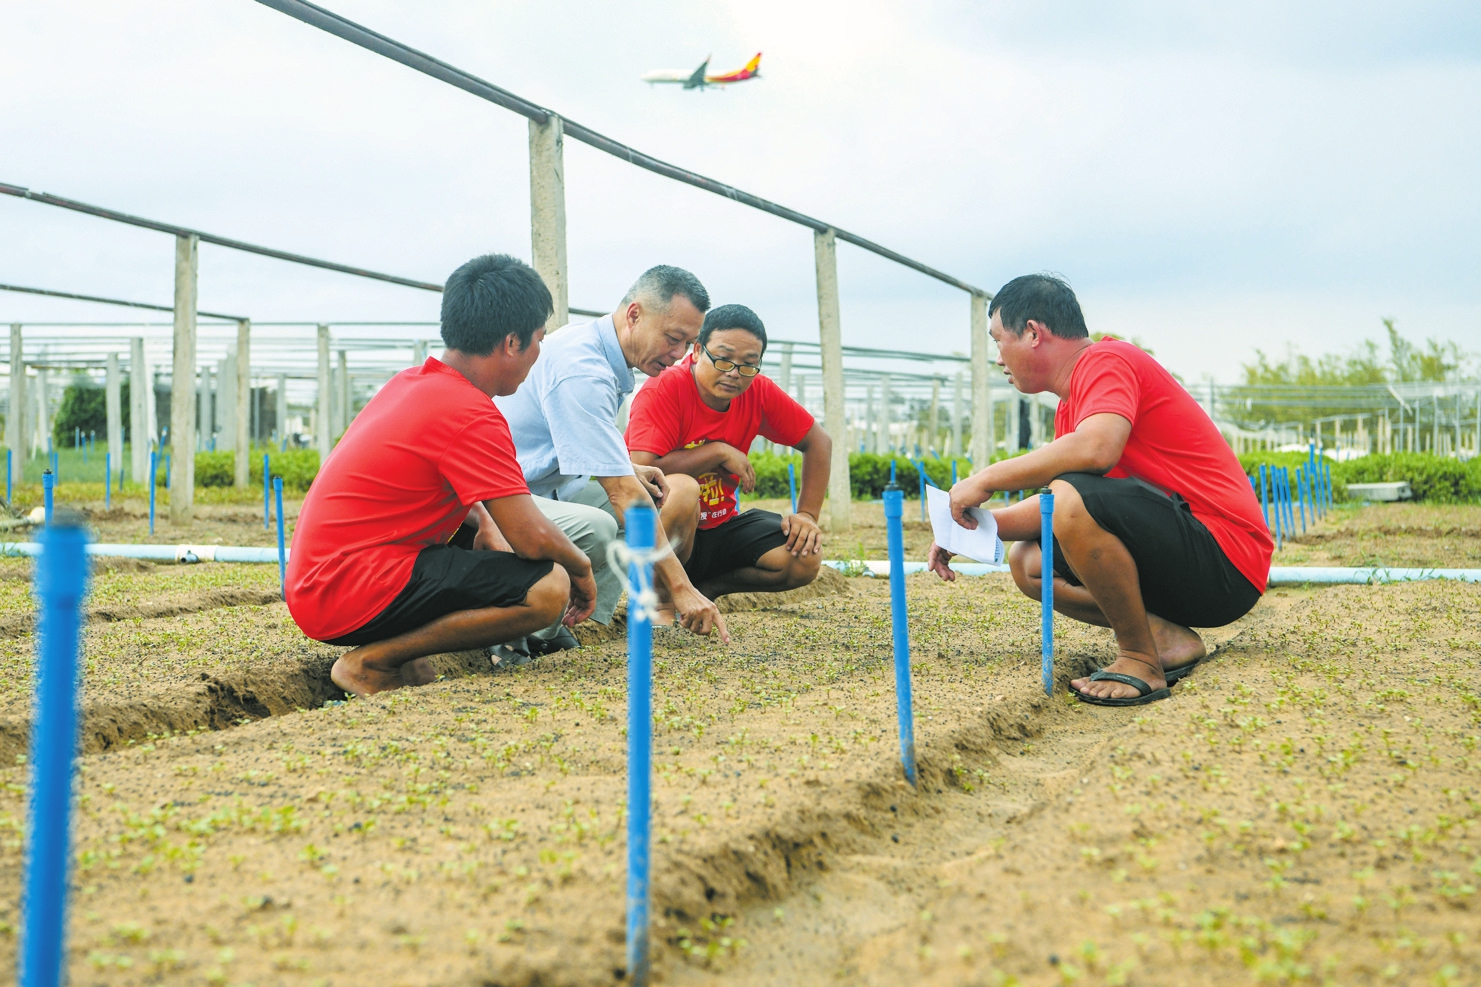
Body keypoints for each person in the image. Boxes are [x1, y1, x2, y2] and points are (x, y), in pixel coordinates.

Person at [927, 274, 1272, 707]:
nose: (998, 358)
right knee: (1030, 561)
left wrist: (985, 479)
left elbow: (1096, 453)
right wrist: (971, 528)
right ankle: (1165, 641)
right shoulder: (1074, 407)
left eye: (998, 340)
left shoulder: (1106, 361)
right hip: (1191, 565)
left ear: (1033, 333)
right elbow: (1061, 507)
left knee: (1070, 496)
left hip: (1226, 558)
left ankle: (1139, 659)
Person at [285, 253, 597, 697]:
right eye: (538, 340)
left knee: (479, 539)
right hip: (345, 590)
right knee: (548, 588)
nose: (538, 354)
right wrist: (582, 569)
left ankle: (407, 659)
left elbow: (443, 487)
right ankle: (372, 663)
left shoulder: (414, 382)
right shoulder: (472, 413)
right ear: (511, 342)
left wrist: (486, 519)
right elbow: (531, 537)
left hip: (322, 580)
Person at [491, 265, 729, 648]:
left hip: (539, 487)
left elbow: (565, 440)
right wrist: (682, 587)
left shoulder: (599, 350)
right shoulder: (582, 369)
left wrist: (628, 468)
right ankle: (518, 633)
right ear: (634, 315)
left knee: (655, 492)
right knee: (605, 522)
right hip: (501, 499)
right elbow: (620, 492)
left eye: (688, 343)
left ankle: (562, 623)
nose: (679, 354)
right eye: (673, 338)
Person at [626, 303, 830, 598]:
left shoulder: (758, 391)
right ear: (696, 351)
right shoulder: (666, 388)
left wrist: (808, 515)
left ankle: (708, 588)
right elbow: (643, 470)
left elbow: (818, 442)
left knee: (804, 557)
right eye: (723, 359)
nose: (735, 373)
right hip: (662, 526)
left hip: (720, 526)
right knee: (682, 489)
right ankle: (659, 599)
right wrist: (717, 452)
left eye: (748, 363)